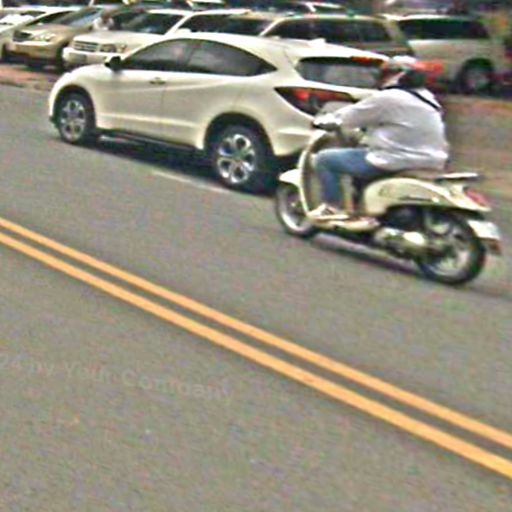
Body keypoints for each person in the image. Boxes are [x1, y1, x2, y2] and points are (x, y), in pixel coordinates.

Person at [310, 57, 449, 230]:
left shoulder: (388, 98)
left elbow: (348, 117)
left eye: (386, 74)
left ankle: (332, 207)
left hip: (394, 158)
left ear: (396, 75)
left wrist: (323, 120)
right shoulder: (429, 99)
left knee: (326, 159)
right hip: (434, 160)